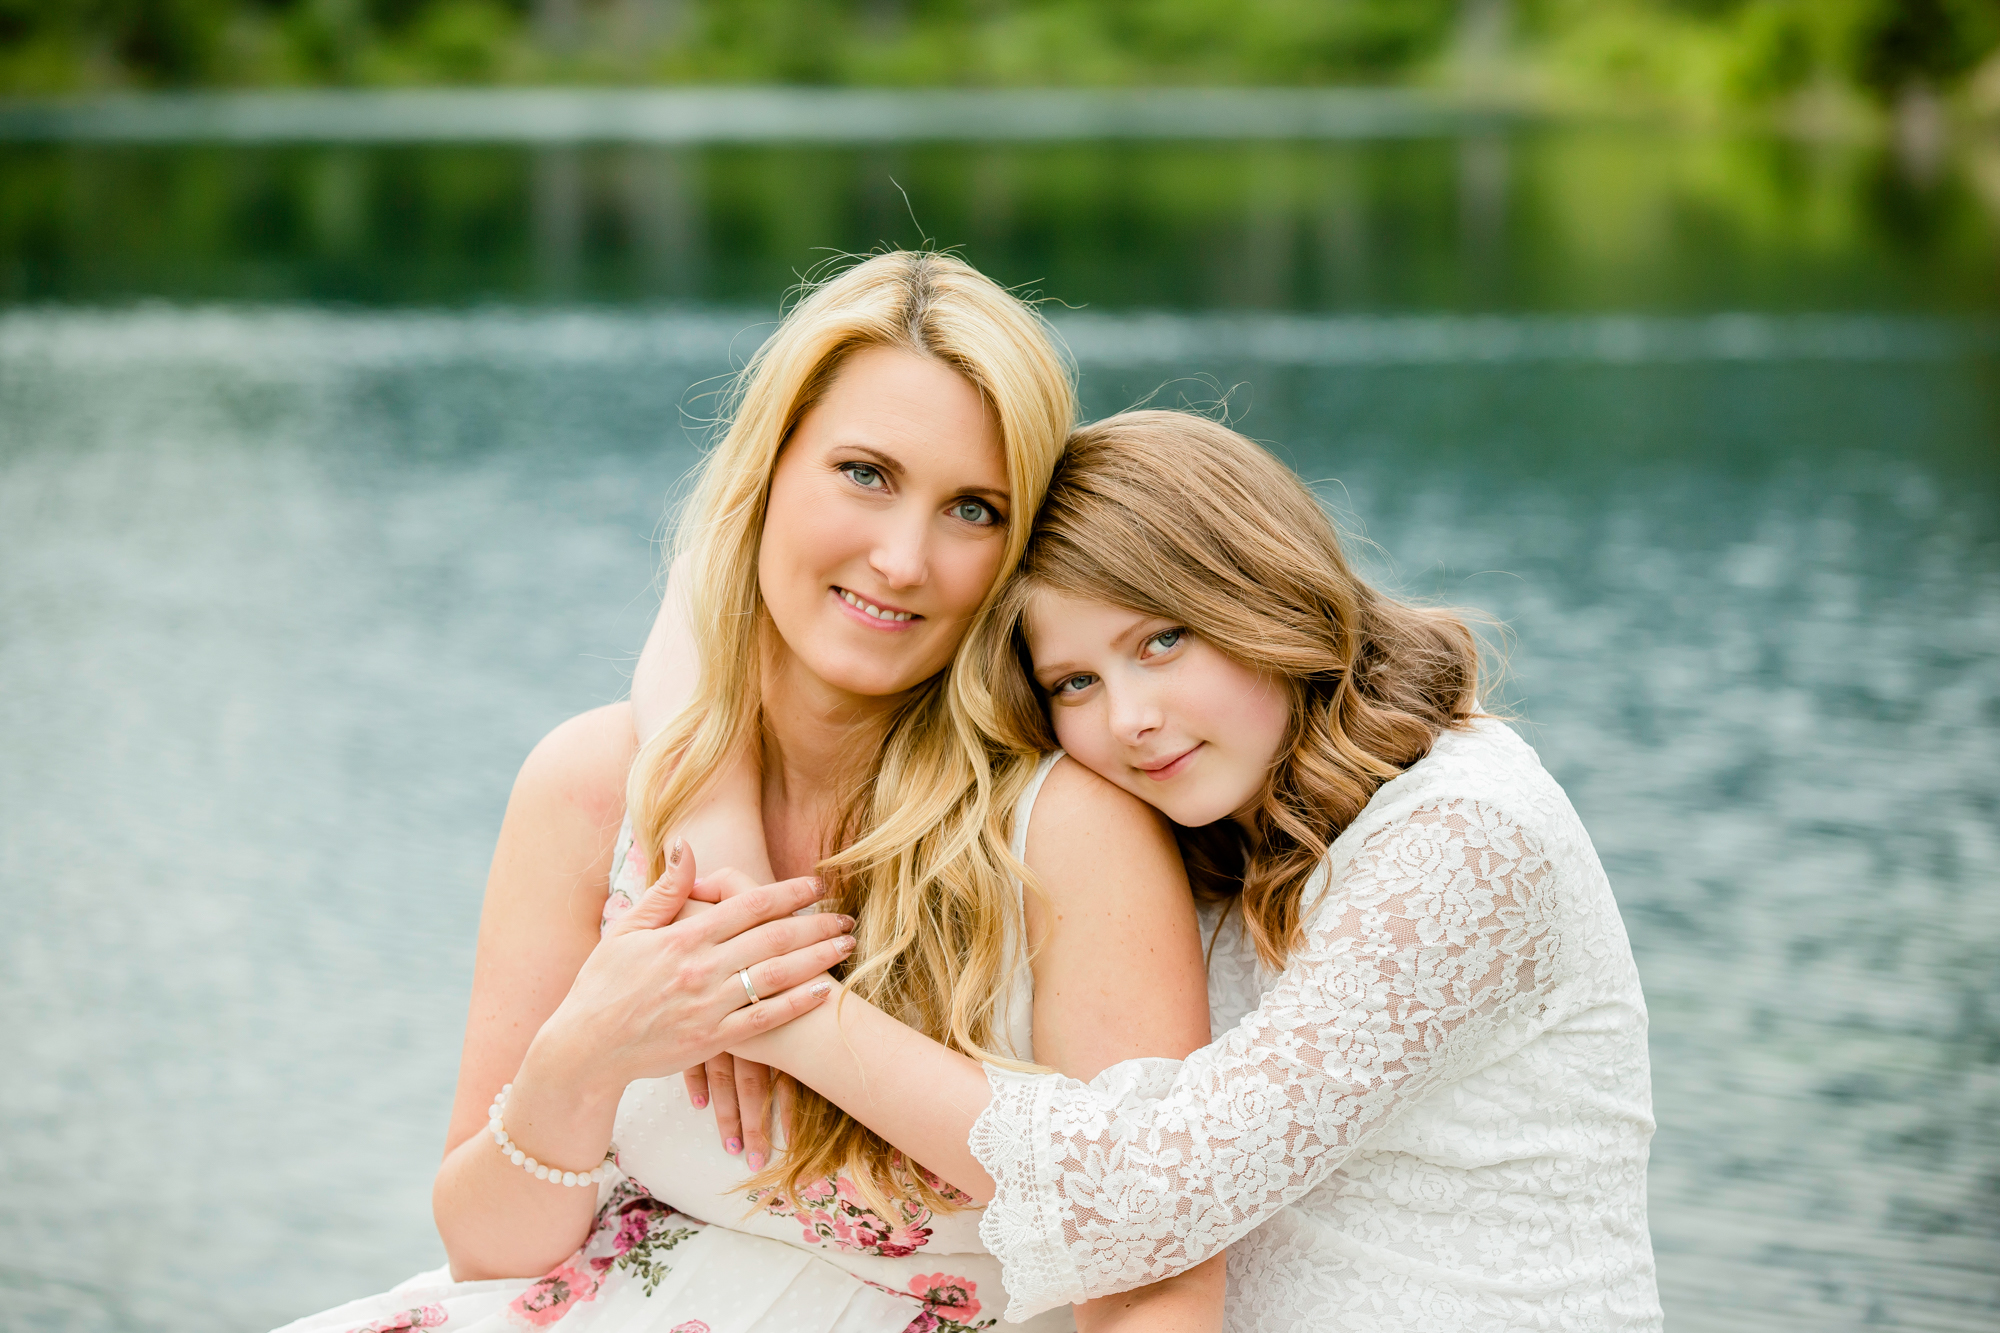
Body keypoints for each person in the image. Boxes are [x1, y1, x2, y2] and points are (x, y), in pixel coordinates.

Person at [274, 256, 1222, 1333]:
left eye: (973, 509)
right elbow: (486, 1248)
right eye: (864, 473)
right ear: (768, 467)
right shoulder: (590, 790)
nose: (903, 558)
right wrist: (588, 1056)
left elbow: (1161, 1279)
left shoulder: (1061, 832)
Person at [655, 410, 1664, 1331]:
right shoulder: (1209, 801)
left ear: (1261, 588)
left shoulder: (1465, 838)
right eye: (1076, 680)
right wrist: (723, 816)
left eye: (1163, 640)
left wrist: (777, 997)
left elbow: (1153, 1195)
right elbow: (691, 615)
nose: (1128, 717)